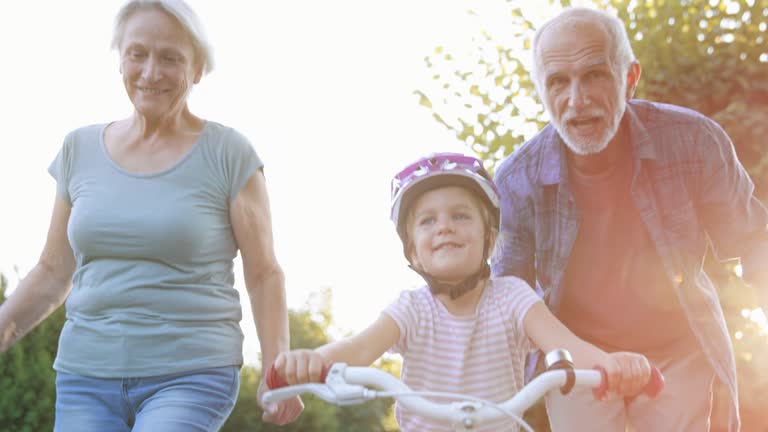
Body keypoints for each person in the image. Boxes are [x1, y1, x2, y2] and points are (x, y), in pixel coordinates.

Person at [0, 1, 302, 430]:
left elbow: (264, 272)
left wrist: (276, 368)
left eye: (170, 58)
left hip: (192, 372)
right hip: (86, 374)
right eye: (137, 54)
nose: (150, 72)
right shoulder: (78, 150)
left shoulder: (229, 154)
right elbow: (52, 272)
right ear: (120, 58)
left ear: (197, 69)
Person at [491, 6, 768, 432]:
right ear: (542, 93)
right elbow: (509, 300)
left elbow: (754, 239)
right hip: (580, 360)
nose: (576, 99)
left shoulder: (694, 141)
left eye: (595, 75)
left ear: (630, 79)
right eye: (558, 82)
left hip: (680, 350)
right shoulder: (515, 181)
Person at [269, 153, 657, 431]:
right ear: (412, 250)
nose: (444, 227)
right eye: (427, 221)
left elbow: (567, 346)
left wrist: (613, 364)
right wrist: (309, 361)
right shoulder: (412, 309)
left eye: (460, 215)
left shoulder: (512, 297)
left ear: (490, 241)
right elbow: (357, 351)